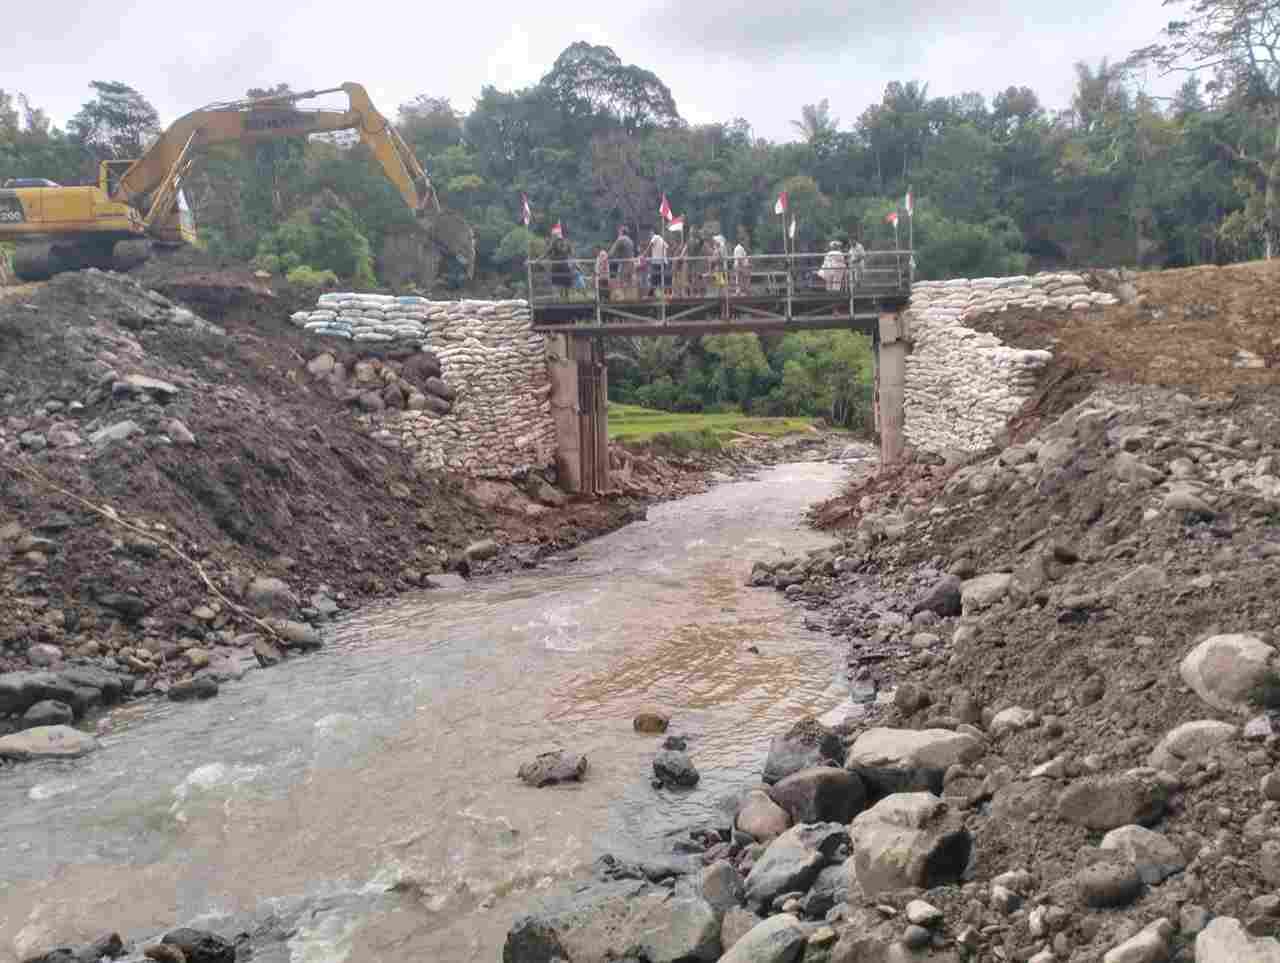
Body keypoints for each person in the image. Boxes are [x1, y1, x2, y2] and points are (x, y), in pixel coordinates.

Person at [609, 226, 635, 300]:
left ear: (621, 232)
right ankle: (630, 297)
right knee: (630, 282)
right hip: (631, 263)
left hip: (624, 263)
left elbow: (612, 251)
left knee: (621, 280)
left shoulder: (621, 239)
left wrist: (607, 258)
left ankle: (622, 297)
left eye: (619, 231)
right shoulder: (630, 240)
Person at [547, 227, 573, 297]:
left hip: (561, 265)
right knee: (562, 281)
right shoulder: (558, 242)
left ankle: (564, 296)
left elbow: (571, 253)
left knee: (563, 281)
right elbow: (548, 252)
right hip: (560, 265)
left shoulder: (562, 242)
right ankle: (563, 296)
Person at [648, 227, 669, 297]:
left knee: (654, 279)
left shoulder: (655, 237)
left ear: (653, 232)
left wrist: (643, 255)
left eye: (650, 233)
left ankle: (651, 294)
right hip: (663, 262)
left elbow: (650, 245)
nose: (649, 235)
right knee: (659, 279)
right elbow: (667, 247)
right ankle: (656, 294)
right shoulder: (661, 239)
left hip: (657, 263)